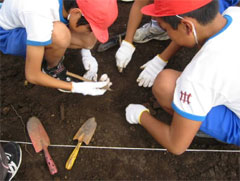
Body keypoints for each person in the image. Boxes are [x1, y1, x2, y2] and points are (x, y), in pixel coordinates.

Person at [125, 0, 240, 155]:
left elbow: (176, 146)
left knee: (165, 85)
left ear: (187, 26)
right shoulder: (233, 13)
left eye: (166, 29)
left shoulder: (197, 77)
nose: (169, 35)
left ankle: (200, 129)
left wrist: (140, 115)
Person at [0, 0, 118, 95]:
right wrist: (76, 87)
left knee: (88, 40)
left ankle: (50, 48)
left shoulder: (71, 7)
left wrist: (86, 53)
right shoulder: (39, 14)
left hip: (28, 17)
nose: (91, 32)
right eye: (91, 28)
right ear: (76, 12)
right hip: (9, 33)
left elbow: (88, 38)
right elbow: (32, 75)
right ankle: (51, 69)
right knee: (60, 35)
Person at [116, 0, 239, 88]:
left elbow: (191, 33)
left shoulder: (210, 13)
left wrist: (161, 60)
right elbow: (140, 3)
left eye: (166, 29)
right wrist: (127, 42)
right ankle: (164, 25)